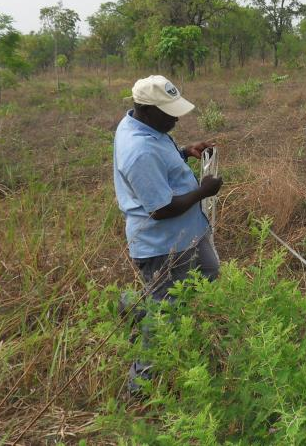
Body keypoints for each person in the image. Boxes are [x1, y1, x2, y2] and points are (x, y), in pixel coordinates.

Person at [113, 74, 223, 391]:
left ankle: (136, 303)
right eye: (169, 112)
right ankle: (141, 384)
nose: (175, 118)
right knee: (165, 314)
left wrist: (185, 151)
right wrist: (204, 191)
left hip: (189, 230)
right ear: (146, 109)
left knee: (209, 273)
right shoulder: (139, 150)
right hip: (163, 245)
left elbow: (162, 158)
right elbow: (160, 209)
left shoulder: (142, 124)